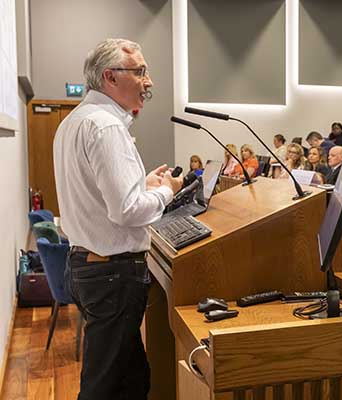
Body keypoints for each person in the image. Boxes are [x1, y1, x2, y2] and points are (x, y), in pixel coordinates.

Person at [53, 38, 184, 400]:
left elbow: (99, 198)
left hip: (87, 265)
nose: (149, 81)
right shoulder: (106, 127)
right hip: (111, 275)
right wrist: (168, 190)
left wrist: (143, 185)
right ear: (110, 77)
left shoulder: (75, 121)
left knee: (131, 382)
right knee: (104, 387)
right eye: (140, 71)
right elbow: (125, 212)